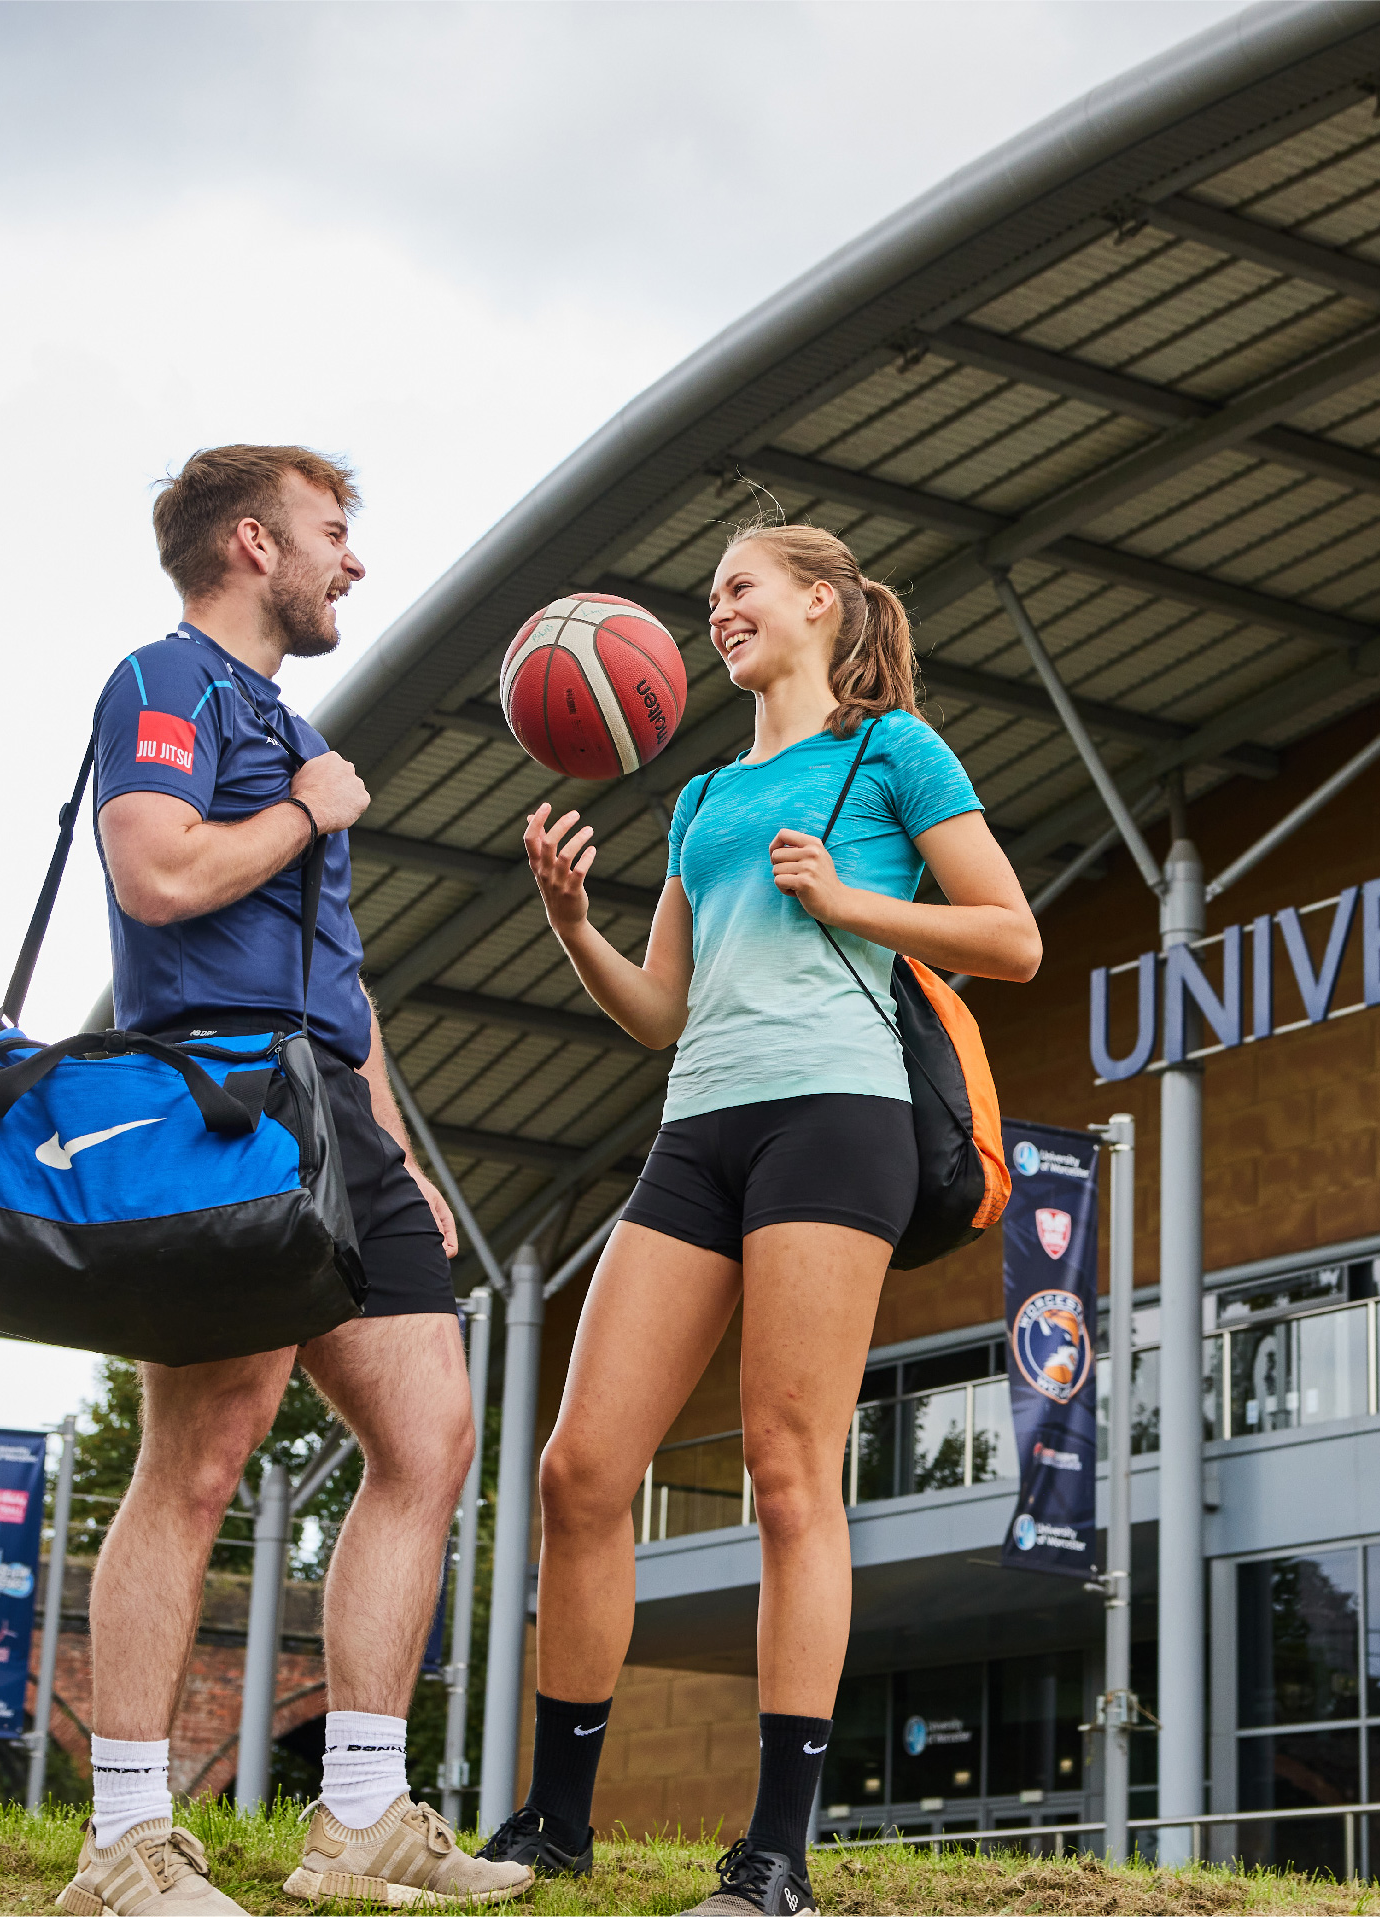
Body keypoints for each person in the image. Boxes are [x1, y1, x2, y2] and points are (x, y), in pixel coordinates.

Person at [481, 524, 1040, 1916]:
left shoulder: (894, 753)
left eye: (740, 586)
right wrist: (573, 928)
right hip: (699, 1125)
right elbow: (664, 1009)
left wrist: (849, 898)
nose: (717, 609)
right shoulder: (701, 803)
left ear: (818, 604)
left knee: (791, 1472)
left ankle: (775, 1855)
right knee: (578, 1469)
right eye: (710, 595)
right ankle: (554, 1822)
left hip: (835, 1120)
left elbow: (1013, 935)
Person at [57, 445, 534, 1915]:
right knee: (202, 1456)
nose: (356, 562)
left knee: (430, 1430)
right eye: (336, 533)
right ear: (255, 543)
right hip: (214, 1101)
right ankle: (125, 1842)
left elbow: (339, 973)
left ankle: (365, 1816)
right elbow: (158, 875)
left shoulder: (284, 718)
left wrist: (391, 1138)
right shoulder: (161, 680)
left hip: (332, 1107)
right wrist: (311, 813)